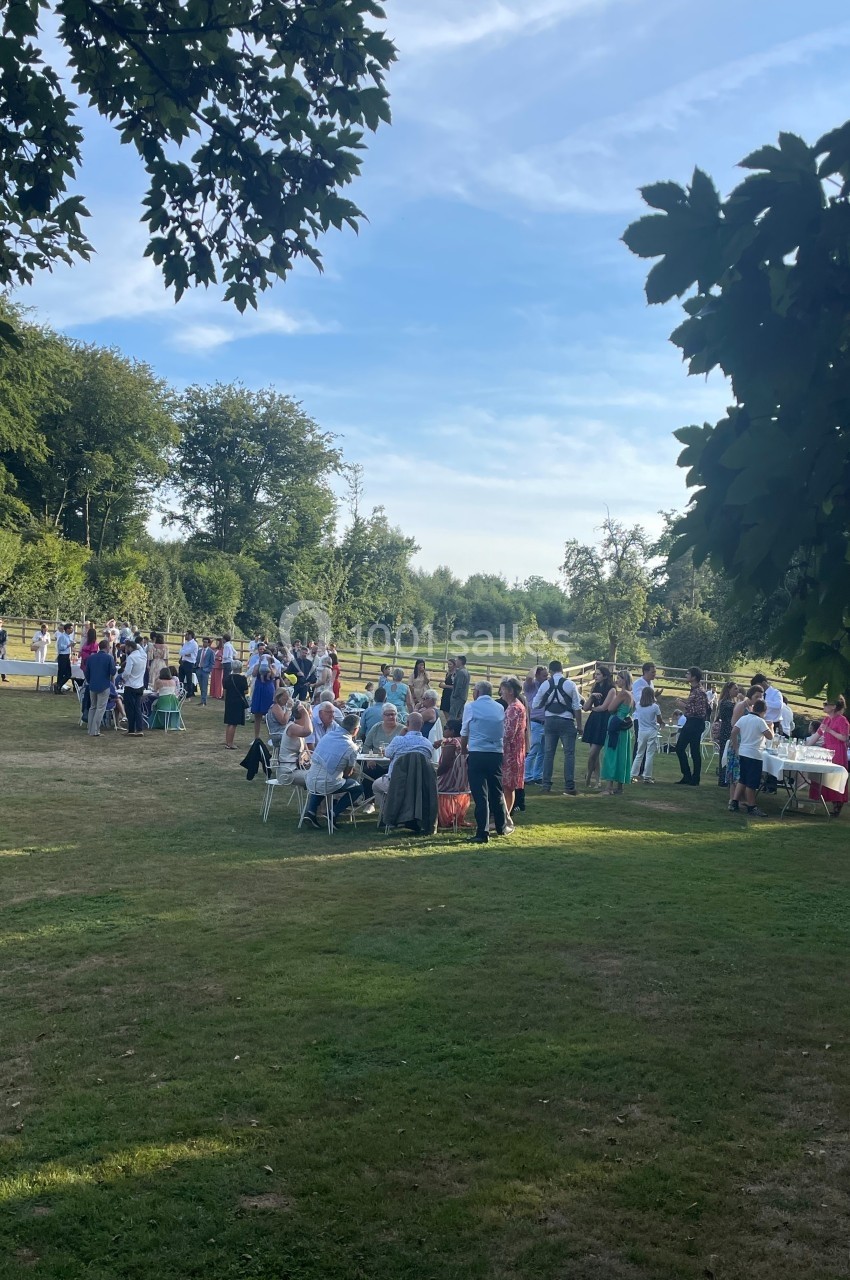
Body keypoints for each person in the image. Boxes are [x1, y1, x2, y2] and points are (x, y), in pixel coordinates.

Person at [461, 680, 507, 844]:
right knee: (496, 790)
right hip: (495, 753)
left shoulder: (471, 707)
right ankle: (501, 826)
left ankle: (482, 831)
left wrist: (463, 748)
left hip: (478, 752)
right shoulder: (499, 707)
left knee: (480, 794)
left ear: (478, 692)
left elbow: (465, 730)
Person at [302, 713, 364, 829]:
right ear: (355, 730)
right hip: (328, 783)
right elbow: (346, 774)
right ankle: (333, 813)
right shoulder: (352, 747)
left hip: (310, 779)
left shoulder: (327, 736)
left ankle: (311, 812)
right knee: (357, 788)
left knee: (321, 783)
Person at [371, 712, 435, 818]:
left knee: (376, 785)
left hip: (397, 783)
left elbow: (387, 754)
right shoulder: (427, 744)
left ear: (407, 723)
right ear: (422, 724)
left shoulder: (398, 741)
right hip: (418, 784)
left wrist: (400, 735)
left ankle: (386, 814)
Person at [533, 660, 583, 796]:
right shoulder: (570, 684)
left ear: (550, 671)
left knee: (548, 754)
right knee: (569, 754)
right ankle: (569, 786)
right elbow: (577, 706)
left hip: (549, 721)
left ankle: (546, 785)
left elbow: (535, 705)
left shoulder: (545, 684)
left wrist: (547, 701)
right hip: (566, 720)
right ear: (562, 669)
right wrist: (579, 725)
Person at [729, 698, 773, 816]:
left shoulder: (744, 718)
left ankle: (734, 801)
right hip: (754, 754)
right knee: (751, 783)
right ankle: (752, 806)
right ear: (764, 711)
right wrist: (772, 727)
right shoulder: (760, 721)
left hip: (743, 752)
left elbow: (733, 732)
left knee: (743, 779)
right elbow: (770, 737)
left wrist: (736, 746)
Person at [808, 696, 849, 817]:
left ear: (834, 706)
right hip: (827, 750)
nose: (824, 705)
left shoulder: (842, 720)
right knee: (824, 776)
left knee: (836, 777)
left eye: (826, 704)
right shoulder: (826, 720)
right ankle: (826, 801)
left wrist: (830, 731)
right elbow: (817, 734)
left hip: (837, 750)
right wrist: (807, 746)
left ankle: (837, 805)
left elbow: (844, 737)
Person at [674, 667, 712, 786]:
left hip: (694, 723)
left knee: (681, 748)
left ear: (694, 677)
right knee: (693, 750)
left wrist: (682, 705)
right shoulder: (695, 690)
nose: (686, 675)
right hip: (693, 722)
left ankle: (690, 776)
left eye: (688, 673)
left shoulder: (699, 691)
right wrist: (685, 703)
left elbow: (700, 711)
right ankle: (693, 778)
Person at [600, 670, 635, 795]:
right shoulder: (631, 694)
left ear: (625, 680)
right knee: (622, 756)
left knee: (611, 754)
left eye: (619, 678)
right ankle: (620, 787)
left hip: (616, 726)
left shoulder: (623, 694)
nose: (617, 681)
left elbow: (610, 708)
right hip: (625, 729)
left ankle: (608, 787)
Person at [580, 664, 615, 789]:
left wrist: (593, 708)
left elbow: (604, 707)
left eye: (599, 674)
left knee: (593, 753)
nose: (596, 676)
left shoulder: (611, 689)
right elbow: (585, 708)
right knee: (595, 755)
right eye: (596, 674)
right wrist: (592, 696)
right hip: (593, 721)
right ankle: (597, 780)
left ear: (605, 676)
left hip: (603, 721)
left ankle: (589, 776)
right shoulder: (595, 688)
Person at [499, 676, 528, 819]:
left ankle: (505, 817)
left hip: (510, 753)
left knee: (508, 787)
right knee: (508, 786)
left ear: (510, 691)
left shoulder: (513, 709)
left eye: (503, 689)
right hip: (515, 751)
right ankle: (505, 815)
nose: (501, 692)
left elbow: (507, 734)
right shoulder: (516, 706)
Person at [436, 718, 471, 829]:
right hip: (464, 783)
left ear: (452, 731)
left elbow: (445, 765)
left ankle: (436, 818)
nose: (443, 729)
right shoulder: (465, 741)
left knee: (425, 782)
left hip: (448, 782)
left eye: (445, 727)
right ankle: (456, 817)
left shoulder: (451, 743)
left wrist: (435, 774)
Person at [630, 686, 663, 784]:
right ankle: (647, 776)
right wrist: (662, 723)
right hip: (651, 730)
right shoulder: (655, 707)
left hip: (641, 731)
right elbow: (659, 719)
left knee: (639, 753)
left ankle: (632, 774)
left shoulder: (639, 705)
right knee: (649, 754)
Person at [276, 700, 312, 789]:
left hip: (296, 769)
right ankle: (316, 803)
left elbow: (308, 753)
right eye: (310, 714)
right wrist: (305, 712)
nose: (310, 717)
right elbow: (309, 731)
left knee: (324, 776)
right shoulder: (292, 727)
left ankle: (326, 803)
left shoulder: (298, 729)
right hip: (288, 772)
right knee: (318, 779)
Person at [523, 666, 548, 786]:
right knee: (533, 750)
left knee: (543, 751)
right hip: (535, 722)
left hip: (546, 723)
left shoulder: (547, 686)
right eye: (544, 675)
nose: (546, 677)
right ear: (537, 675)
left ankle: (537, 775)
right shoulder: (531, 686)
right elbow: (528, 678)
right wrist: (535, 668)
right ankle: (527, 776)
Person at [85, 640, 116, 737]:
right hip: (104, 685)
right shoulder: (109, 658)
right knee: (100, 708)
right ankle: (95, 730)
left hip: (92, 685)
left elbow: (87, 673)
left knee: (92, 707)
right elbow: (113, 672)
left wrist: (90, 681)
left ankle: (90, 729)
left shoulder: (91, 658)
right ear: (107, 647)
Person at [121, 639, 147, 737]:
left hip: (130, 685)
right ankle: (139, 729)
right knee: (138, 708)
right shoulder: (143, 656)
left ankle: (131, 729)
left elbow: (127, 672)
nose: (126, 649)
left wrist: (123, 677)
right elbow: (139, 647)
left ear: (130, 648)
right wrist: (131, 642)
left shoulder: (131, 657)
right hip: (140, 685)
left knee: (130, 709)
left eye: (127, 647)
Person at [714, 682, 738, 786]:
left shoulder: (731, 702)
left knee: (728, 753)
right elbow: (734, 709)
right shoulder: (725, 702)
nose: (737, 691)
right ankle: (723, 779)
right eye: (735, 689)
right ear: (729, 690)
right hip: (726, 729)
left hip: (729, 728)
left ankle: (726, 779)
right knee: (725, 753)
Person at [250, 648, 276, 737]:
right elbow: (253, 674)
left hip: (268, 688)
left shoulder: (273, 666)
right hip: (259, 688)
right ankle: (256, 736)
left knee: (270, 714)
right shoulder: (257, 665)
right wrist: (260, 663)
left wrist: (269, 665)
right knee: (257, 714)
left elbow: (273, 675)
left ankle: (271, 737)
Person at [223, 660, 249, 749]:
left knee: (229, 723)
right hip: (238, 702)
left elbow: (225, 691)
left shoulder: (227, 678)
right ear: (240, 668)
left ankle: (227, 741)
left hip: (229, 701)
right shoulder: (242, 679)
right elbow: (246, 691)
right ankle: (230, 743)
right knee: (233, 724)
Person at [54, 622, 76, 693]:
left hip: (67, 656)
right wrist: (69, 645)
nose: (72, 630)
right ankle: (58, 686)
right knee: (62, 672)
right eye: (71, 629)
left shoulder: (68, 637)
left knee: (68, 674)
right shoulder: (62, 637)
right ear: (67, 629)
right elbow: (61, 647)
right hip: (63, 656)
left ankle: (58, 685)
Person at [178, 630, 199, 698]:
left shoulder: (194, 644)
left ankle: (189, 694)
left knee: (189, 679)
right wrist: (186, 654)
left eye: (186, 634)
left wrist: (185, 653)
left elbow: (187, 651)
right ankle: (180, 692)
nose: (185, 636)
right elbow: (180, 652)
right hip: (183, 662)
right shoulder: (186, 643)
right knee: (180, 678)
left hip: (189, 663)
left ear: (190, 635)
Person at [449, 655, 470, 720]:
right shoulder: (466, 671)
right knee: (460, 715)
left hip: (458, 697)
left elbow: (459, 686)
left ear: (460, 661)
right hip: (463, 697)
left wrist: (455, 695)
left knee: (453, 714)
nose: (455, 661)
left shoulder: (461, 672)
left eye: (456, 660)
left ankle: (451, 728)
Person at [197, 638, 215, 706]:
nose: (204, 643)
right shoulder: (199, 651)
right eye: (203, 642)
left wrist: (208, 670)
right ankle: (202, 700)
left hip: (205, 670)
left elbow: (212, 663)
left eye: (206, 642)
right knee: (201, 686)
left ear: (208, 643)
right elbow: (197, 659)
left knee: (204, 686)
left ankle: (203, 701)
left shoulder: (211, 652)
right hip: (199, 669)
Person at [439, 658, 455, 723]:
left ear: (454, 665)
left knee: (448, 710)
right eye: (448, 664)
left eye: (450, 664)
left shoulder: (455, 674)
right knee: (444, 710)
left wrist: (445, 686)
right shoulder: (448, 673)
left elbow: (455, 687)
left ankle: (449, 724)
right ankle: (448, 723)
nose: (448, 665)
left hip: (451, 694)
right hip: (445, 693)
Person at [0, 616, 7, 681]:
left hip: (2, 649)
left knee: (3, 662)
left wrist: (0, 646)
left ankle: (4, 677)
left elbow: (5, 641)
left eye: (0, 622)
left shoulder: (4, 632)